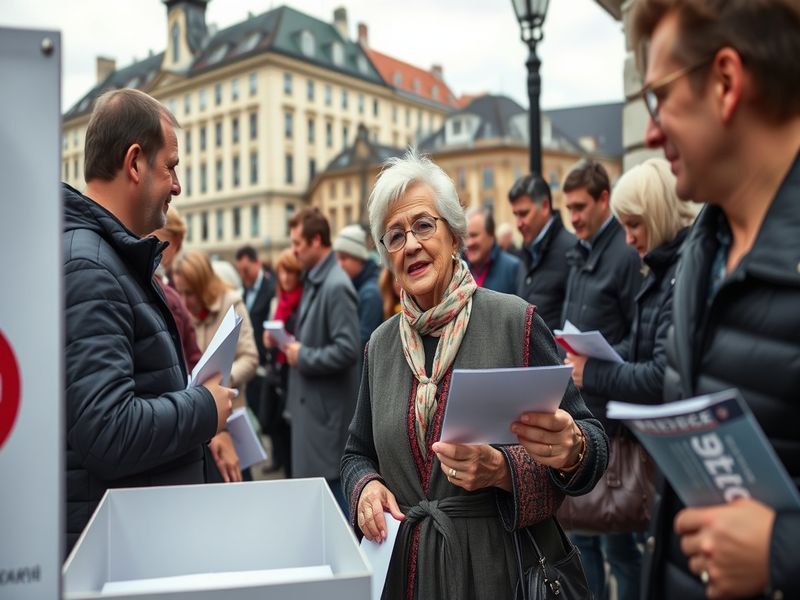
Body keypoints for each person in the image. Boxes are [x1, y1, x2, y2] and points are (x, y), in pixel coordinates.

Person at [341, 150, 608, 599]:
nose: (411, 245)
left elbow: (591, 445)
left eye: (424, 225)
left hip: (497, 571)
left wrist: (504, 468)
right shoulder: (380, 346)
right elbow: (355, 454)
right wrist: (364, 488)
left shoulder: (513, 322)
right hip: (410, 575)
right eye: (394, 235)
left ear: (454, 235)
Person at [631, 1, 800, 598]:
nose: (651, 131)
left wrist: (780, 552)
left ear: (726, 82)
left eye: (660, 97)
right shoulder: (702, 248)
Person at [63, 88, 235, 552]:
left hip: (130, 538)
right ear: (135, 163)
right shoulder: (92, 267)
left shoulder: (107, 259)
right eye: (171, 167)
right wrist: (204, 409)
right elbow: (107, 429)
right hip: (119, 548)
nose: (177, 186)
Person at [560, 158, 644, 600]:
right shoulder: (582, 249)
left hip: (612, 418)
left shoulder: (625, 253)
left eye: (580, 206)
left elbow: (641, 336)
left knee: (618, 539)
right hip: (582, 413)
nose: (572, 217)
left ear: (604, 200)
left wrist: (598, 367)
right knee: (583, 537)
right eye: (568, 208)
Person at [566, 158, 694, 402]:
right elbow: (640, 343)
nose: (629, 239)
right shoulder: (658, 268)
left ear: (658, 215)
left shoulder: (677, 271)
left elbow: (661, 375)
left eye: (634, 225)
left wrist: (592, 372)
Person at [284, 208, 360, 514]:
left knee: (337, 514)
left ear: (317, 240)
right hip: (317, 420)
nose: (294, 251)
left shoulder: (336, 285)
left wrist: (302, 355)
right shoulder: (322, 279)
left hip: (326, 428)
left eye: (297, 243)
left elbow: (347, 349)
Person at [172, 250, 259, 483]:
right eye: (178, 291)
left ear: (203, 286)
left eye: (189, 292)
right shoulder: (182, 312)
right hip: (201, 422)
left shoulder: (231, 305)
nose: (182, 299)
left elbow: (250, 357)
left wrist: (221, 384)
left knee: (238, 485)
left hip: (231, 419)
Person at [508, 174, 576, 333]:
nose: (518, 223)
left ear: (545, 206)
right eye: (515, 215)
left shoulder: (571, 250)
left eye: (524, 214)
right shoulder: (526, 252)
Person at [261, 248, 304, 477]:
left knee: (289, 429)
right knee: (273, 424)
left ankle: (291, 473)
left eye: (290, 272)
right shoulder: (278, 300)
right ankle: (283, 467)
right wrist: (268, 339)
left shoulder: (303, 300)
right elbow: (269, 329)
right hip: (277, 370)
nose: (286, 278)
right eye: (282, 272)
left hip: (293, 370)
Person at [235, 244, 276, 434]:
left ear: (257, 263)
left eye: (246, 270)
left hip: (266, 362)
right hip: (250, 364)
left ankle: (278, 459)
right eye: (240, 271)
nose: (244, 275)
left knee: (269, 415)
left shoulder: (271, 288)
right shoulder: (241, 292)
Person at [333, 224, 383, 350]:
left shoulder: (370, 293)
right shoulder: (357, 286)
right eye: (337, 258)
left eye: (344, 258)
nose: (339, 265)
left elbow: (363, 343)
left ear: (359, 258)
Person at [463, 208, 520, 294]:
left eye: (474, 235)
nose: (468, 243)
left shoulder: (513, 269)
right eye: (465, 237)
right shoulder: (456, 268)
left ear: (491, 236)